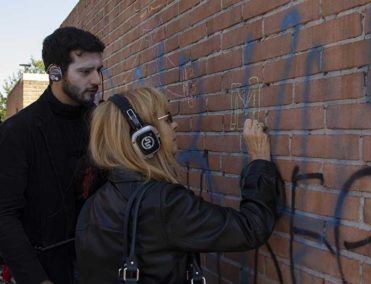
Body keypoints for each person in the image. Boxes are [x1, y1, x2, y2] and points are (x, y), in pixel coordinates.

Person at [76, 87, 280, 283]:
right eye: (167, 119)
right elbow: (251, 228)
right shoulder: (165, 202)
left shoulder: (93, 204)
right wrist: (259, 161)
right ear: (145, 137)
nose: (175, 125)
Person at [0, 27, 105, 284]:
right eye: (84, 72)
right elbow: (4, 214)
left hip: (100, 267)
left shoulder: (102, 123)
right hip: (45, 270)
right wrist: (36, 279)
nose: (96, 81)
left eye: (98, 70)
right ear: (55, 72)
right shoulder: (18, 131)